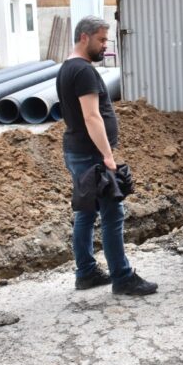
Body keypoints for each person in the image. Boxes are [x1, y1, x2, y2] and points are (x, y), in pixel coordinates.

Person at [57, 16, 158, 297]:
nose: (105, 45)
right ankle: (122, 278)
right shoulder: (83, 71)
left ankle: (86, 273)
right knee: (113, 213)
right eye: (101, 40)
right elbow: (92, 116)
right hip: (92, 156)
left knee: (85, 213)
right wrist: (108, 156)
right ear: (84, 38)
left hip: (78, 151)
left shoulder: (67, 68)